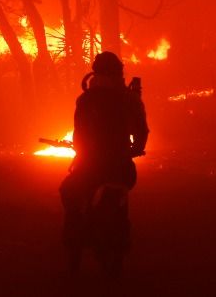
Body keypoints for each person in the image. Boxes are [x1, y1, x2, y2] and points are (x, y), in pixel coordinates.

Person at [59, 52, 149, 274]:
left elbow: (79, 135)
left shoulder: (85, 100)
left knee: (69, 191)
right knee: (120, 195)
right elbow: (141, 131)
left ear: (95, 72)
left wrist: (82, 152)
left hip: (90, 167)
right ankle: (116, 242)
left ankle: (75, 242)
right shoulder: (130, 99)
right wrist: (135, 150)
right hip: (121, 167)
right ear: (119, 72)